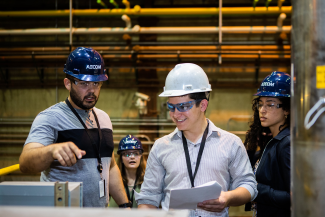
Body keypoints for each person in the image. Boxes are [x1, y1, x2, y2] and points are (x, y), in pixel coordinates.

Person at [135, 63, 257, 217]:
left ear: (203, 105)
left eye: (183, 106)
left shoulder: (231, 144)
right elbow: (148, 198)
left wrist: (227, 198)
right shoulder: (160, 147)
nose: (175, 114)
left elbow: (249, 186)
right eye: (171, 107)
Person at [19, 47, 131, 208]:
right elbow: (25, 162)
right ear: (68, 83)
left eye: (96, 83)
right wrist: (50, 151)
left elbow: (110, 166)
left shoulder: (104, 118)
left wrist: (125, 205)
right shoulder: (50, 117)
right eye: (84, 83)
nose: (91, 90)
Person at [244, 71, 291, 217]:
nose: (262, 110)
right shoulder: (273, 141)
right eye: (260, 104)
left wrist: (255, 190)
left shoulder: (286, 144)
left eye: (270, 104)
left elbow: (295, 197)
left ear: (287, 110)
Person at [109, 135, 147, 208]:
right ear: (121, 158)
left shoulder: (148, 182)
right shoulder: (112, 182)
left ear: (141, 157)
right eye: (127, 154)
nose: (132, 157)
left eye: (136, 153)